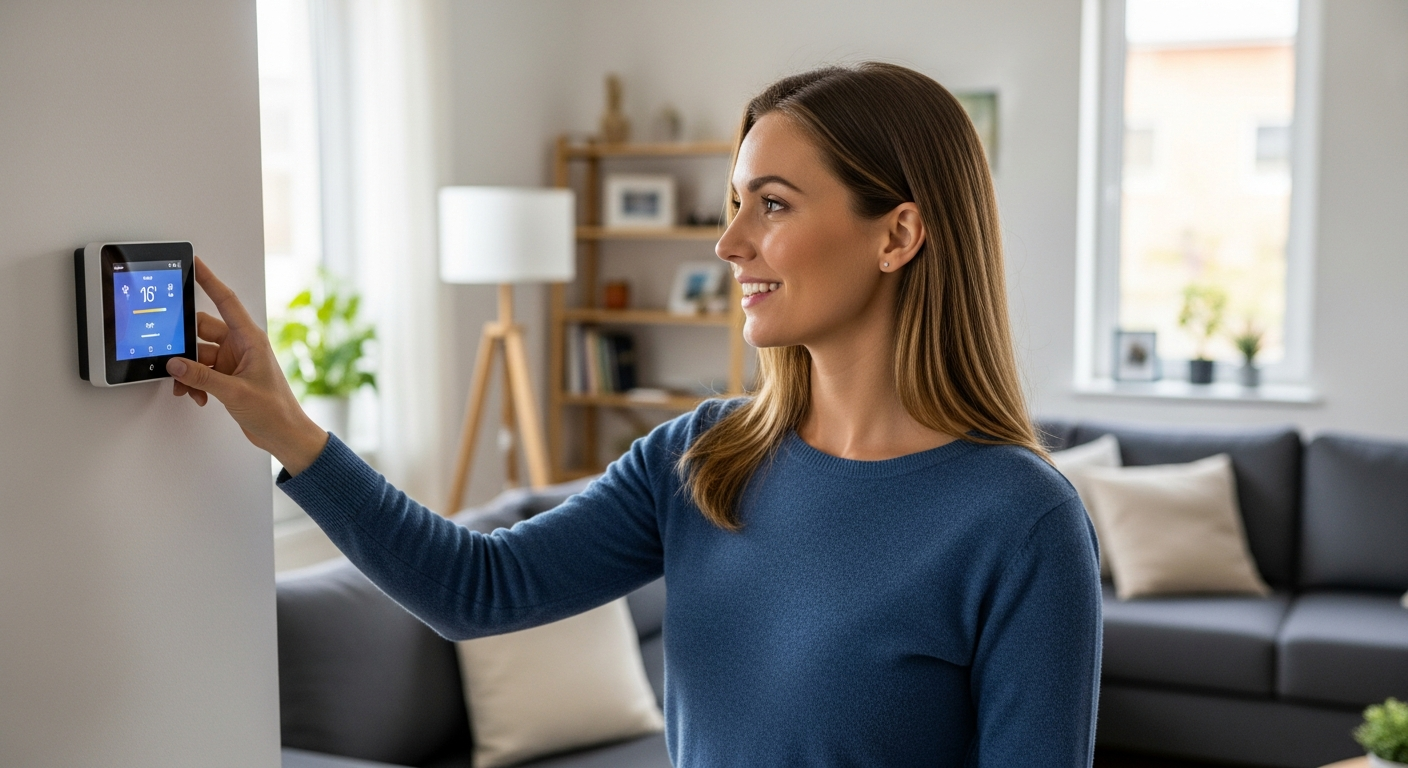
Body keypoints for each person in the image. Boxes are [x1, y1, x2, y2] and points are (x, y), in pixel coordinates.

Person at [169, 63, 1101, 767]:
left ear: (897, 233)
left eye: (771, 205)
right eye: (735, 202)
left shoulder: (1019, 521)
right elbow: (473, 590)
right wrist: (289, 427)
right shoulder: (702, 455)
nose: (729, 242)